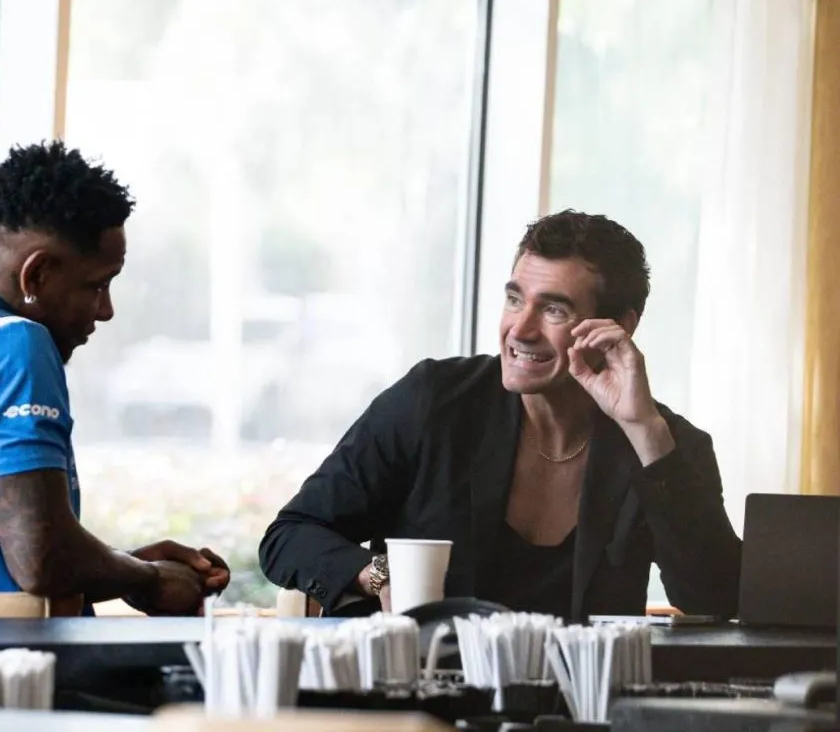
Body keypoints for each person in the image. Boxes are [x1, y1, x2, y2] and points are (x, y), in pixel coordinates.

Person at [259, 210, 741, 621]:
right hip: (425, 706)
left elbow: (716, 598)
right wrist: (379, 575)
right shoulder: (433, 401)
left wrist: (644, 431)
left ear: (620, 326)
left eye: (554, 309)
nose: (520, 329)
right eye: (515, 299)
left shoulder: (666, 444)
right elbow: (290, 535)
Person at [0, 141, 229, 616]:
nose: (106, 310)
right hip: (14, 673)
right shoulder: (13, 344)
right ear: (35, 276)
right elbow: (40, 560)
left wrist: (126, 566)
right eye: (97, 284)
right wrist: (150, 581)